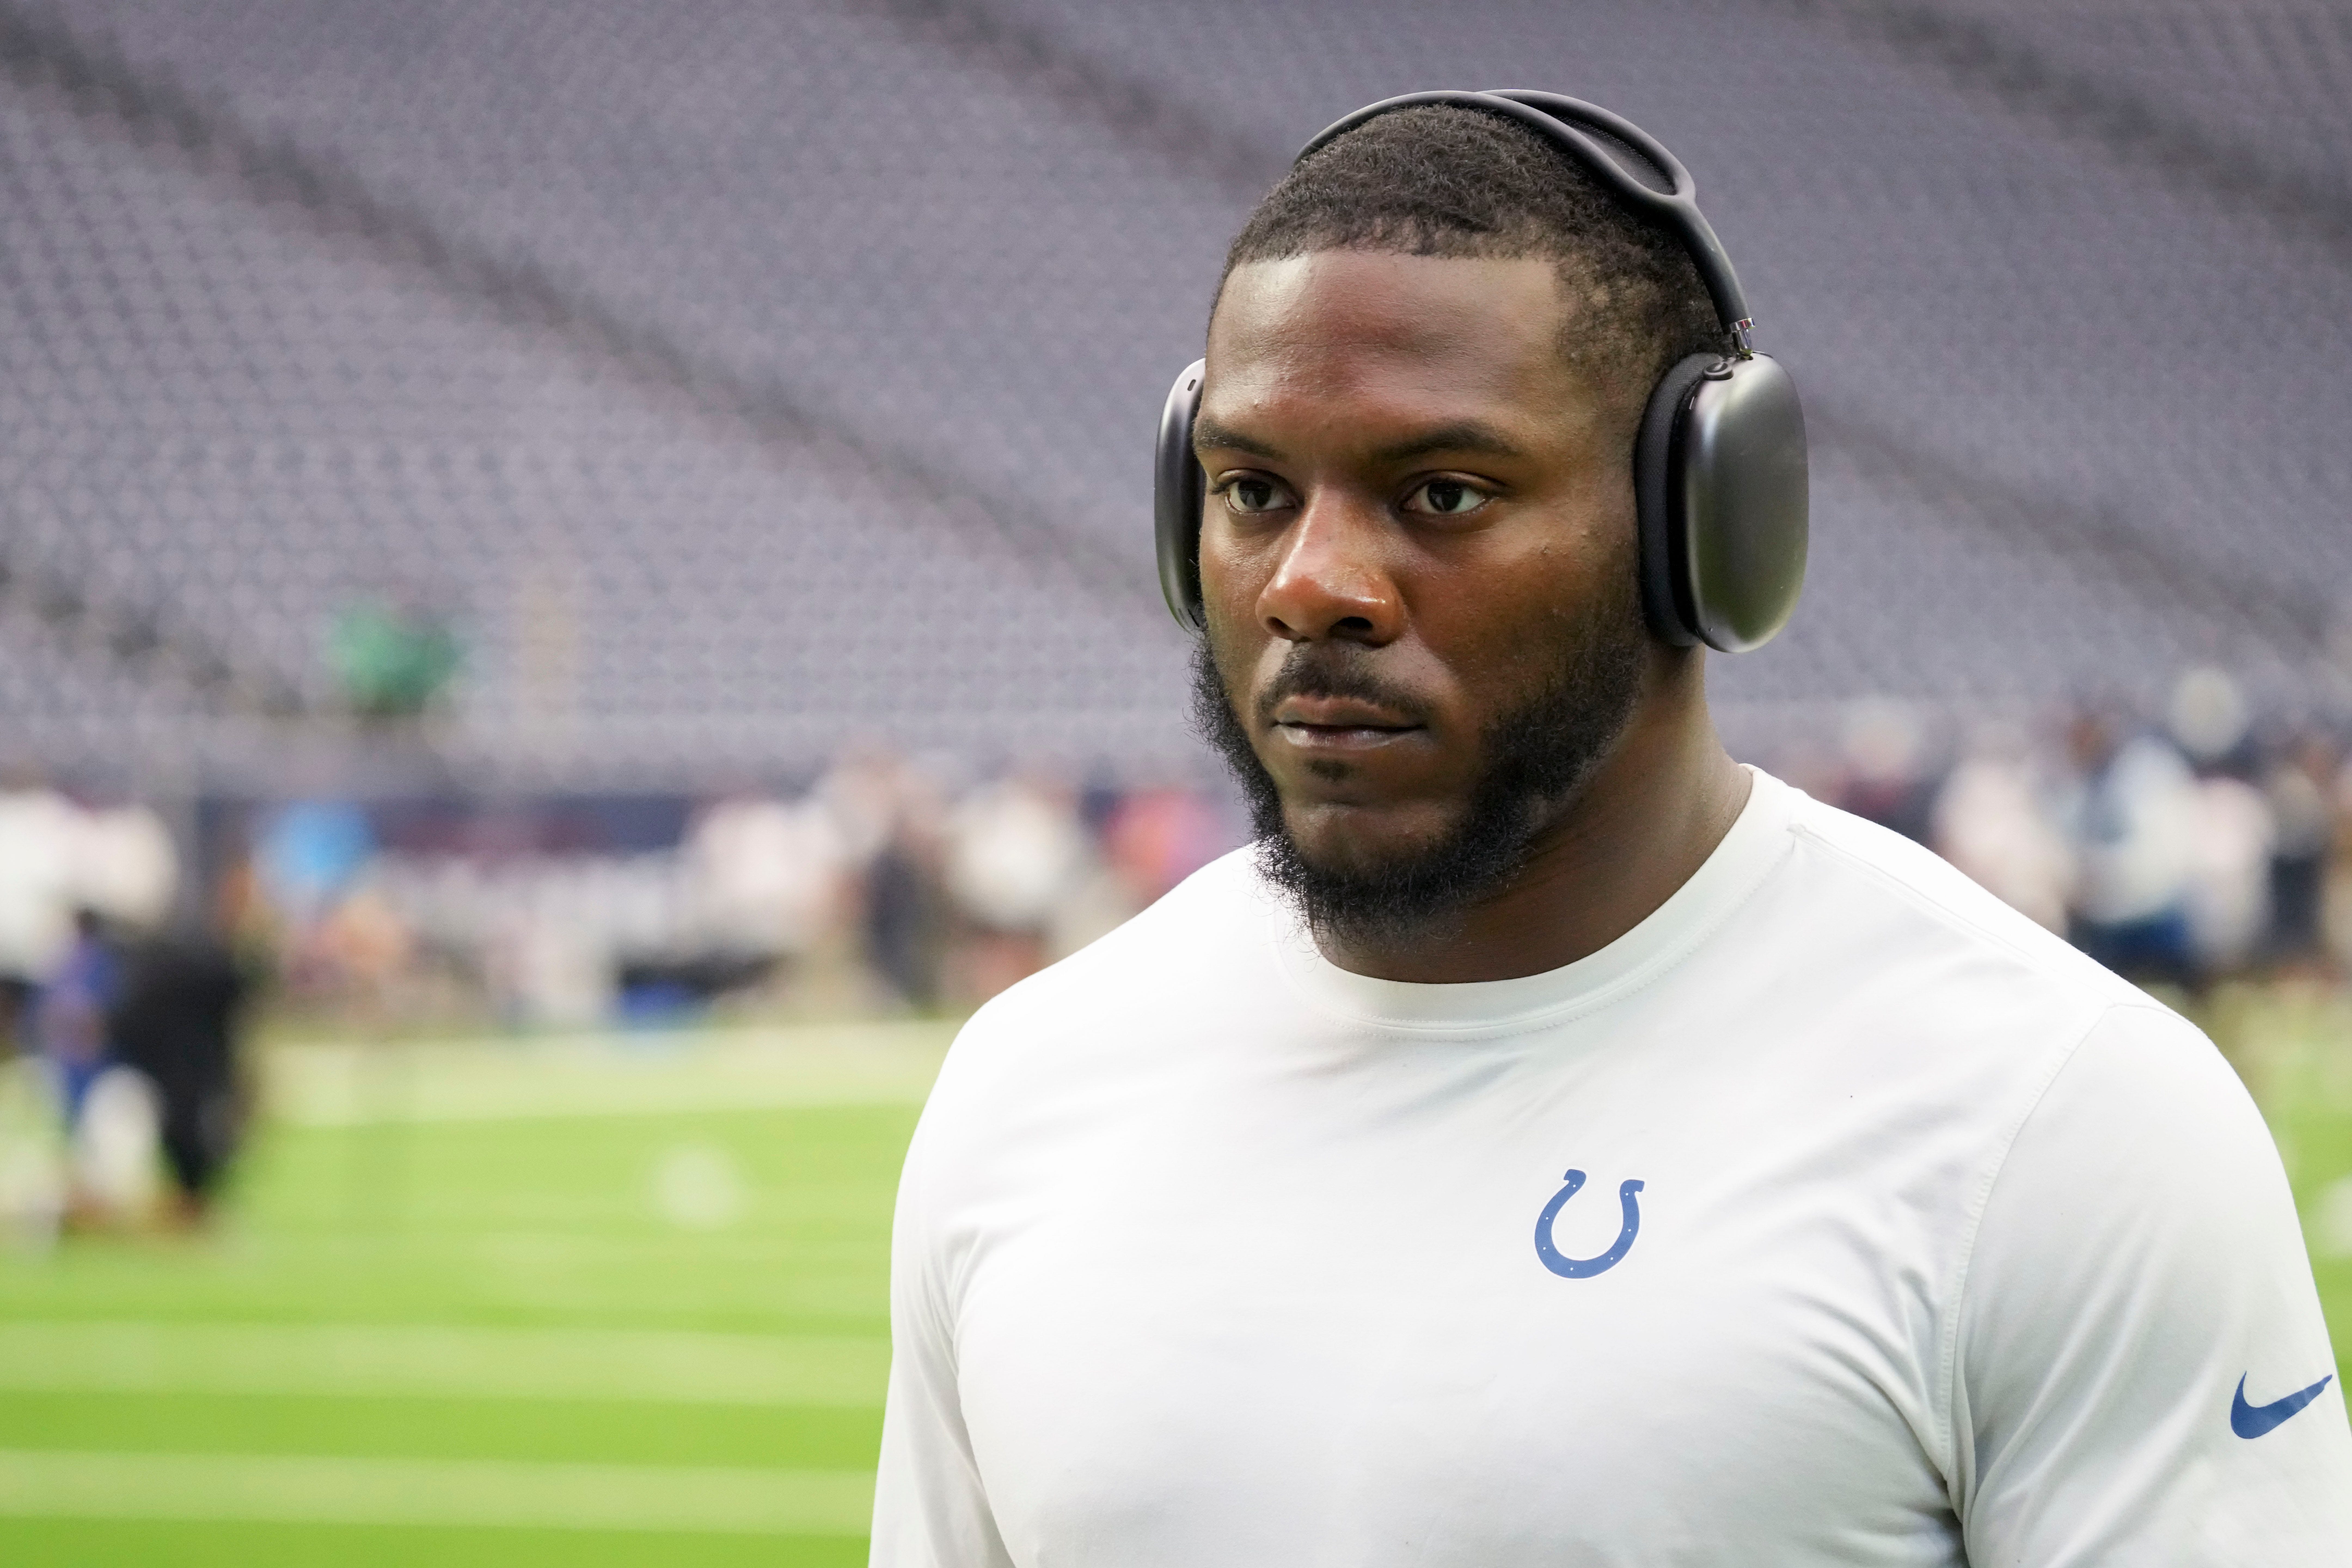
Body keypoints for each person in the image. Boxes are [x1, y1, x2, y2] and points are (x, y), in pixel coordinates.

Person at [871, 98, 2349, 1566]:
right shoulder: (1022, 1092)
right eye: (1252, 491)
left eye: (1443, 493)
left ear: (1703, 525)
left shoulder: (2055, 1122)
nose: (1312, 584)